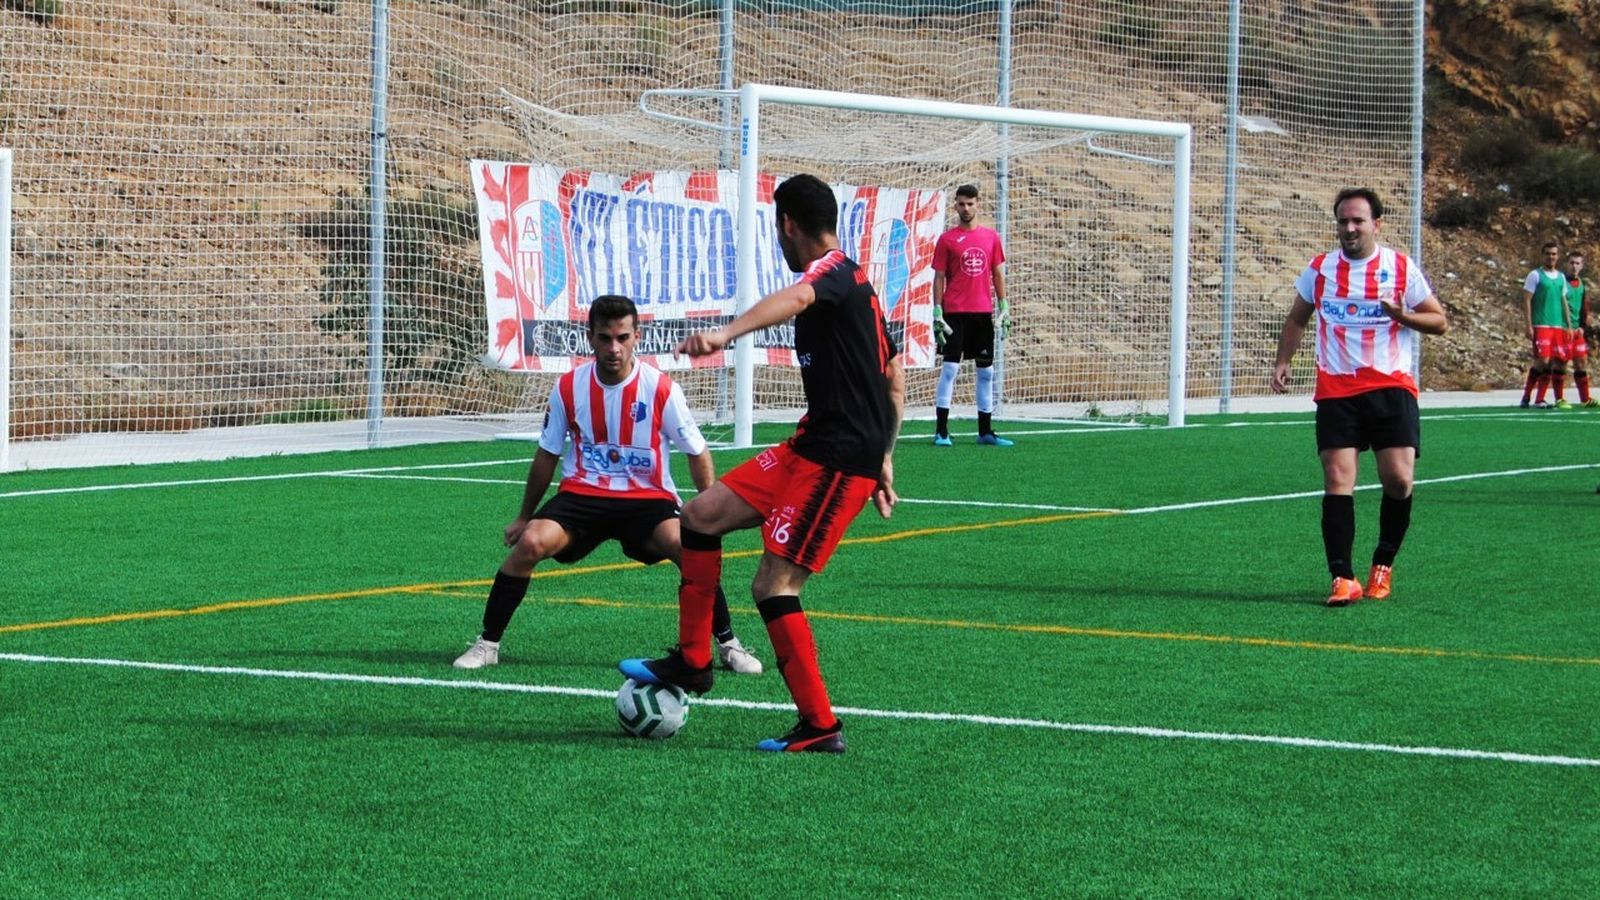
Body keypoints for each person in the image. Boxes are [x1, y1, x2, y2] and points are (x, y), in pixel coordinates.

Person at [620, 173, 904, 754]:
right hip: (812, 446)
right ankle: (694, 660)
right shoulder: (857, 286)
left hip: (836, 461)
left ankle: (820, 725)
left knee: (774, 584)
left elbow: (799, 298)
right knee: (700, 515)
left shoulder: (830, 273)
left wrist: (724, 334)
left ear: (787, 225)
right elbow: (893, 376)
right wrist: (886, 456)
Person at [452, 294, 762, 676]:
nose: (614, 348)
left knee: (688, 548)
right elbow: (547, 453)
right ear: (590, 338)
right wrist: (523, 517)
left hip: (647, 498)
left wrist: (708, 514)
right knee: (530, 542)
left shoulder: (661, 389)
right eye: (604, 338)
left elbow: (697, 452)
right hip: (583, 495)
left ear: (637, 337)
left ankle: (728, 644)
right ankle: (487, 644)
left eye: (622, 338)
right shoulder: (569, 387)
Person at [1271, 187, 1449, 607]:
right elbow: (1297, 318)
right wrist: (1283, 361)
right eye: (1343, 221)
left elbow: (1439, 321)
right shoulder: (1320, 269)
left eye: (1358, 221)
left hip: (1391, 387)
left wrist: (1403, 315)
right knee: (1337, 478)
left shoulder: (1399, 267)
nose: (1349, 228)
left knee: (1399, 480)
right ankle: (1342, 577)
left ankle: (1382, 564)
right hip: (1337, 388)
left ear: (1376, 225)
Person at [930, 183, 1012, 446]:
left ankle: (985, 432)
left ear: (978, 204)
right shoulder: (947, 239)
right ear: (955, 205)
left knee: (986, 372)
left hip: (982, 313)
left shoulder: (991, 237)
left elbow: (997, 273)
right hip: (954, 312)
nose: (966, 208)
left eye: (970, 203)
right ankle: (942, 431)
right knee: (950, 369)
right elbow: (939, 277)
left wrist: (1004, 305)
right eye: (961, 204)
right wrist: (937, 310)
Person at [1519, 241, 1569, 409]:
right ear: (1542, 255)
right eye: (1547, 253)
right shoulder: (1535, 275)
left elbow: (1563, 301)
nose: (1551, 257)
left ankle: (1540, 398)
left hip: (1557, 326)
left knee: (1555, 361)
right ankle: (1526, 395)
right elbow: (1526, 299)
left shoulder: (1561, 277)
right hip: (1541, 325)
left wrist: (1568, 325)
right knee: (1542, 360)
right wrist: (1528, 325)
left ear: (1558, 256)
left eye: (1554, 254)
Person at [1562, 250, 1597, 407]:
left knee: (1581, 362)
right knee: (1560, 364)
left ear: (1582, 266)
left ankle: (1585, 399)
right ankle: (1559, 399)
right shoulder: (1561, 281)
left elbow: (1584, 307)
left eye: (1577, 263)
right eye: (1571, 263)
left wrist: (1582, 326)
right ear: (1566, 264)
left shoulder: (1582, 284)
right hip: (1563, 329)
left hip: (1577, 330)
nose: (1574, 266)